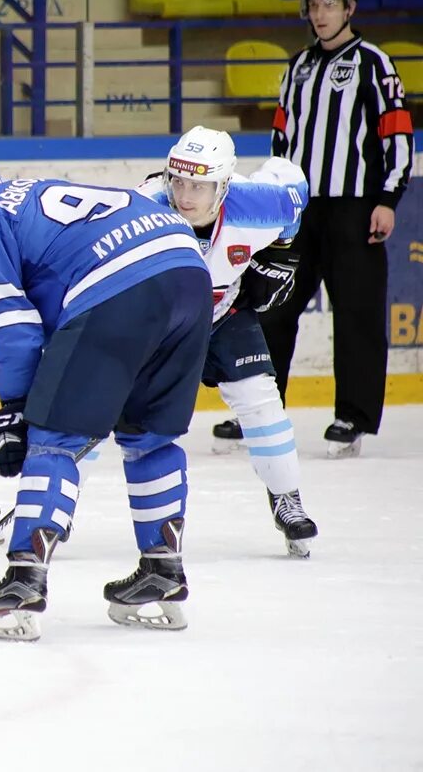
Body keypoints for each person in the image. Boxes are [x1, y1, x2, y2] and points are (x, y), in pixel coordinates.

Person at [0, 144, 212, 642]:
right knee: (149, 435)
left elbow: (14, 328)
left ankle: (25, 580)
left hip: (119, 280)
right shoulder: (19, 199)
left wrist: (20, 411)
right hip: (188, 271)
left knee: (51, 436)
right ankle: (163, 570)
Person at [137, 126, 319, 558]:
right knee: (104, 404)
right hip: (158, 324)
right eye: (178, 181)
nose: (185, 194)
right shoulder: (143, 210)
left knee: (260, 399)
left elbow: (292, 183)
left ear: (224, 185)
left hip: (224, 312)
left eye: (198, 185)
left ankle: (286, 498)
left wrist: (283, 249)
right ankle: (56, 510)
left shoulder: (259, 205)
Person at [260, 0, 414, 458]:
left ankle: (354, 415)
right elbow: (281, 139)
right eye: (314, 4)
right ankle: (261, 408)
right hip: (302, 210)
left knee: (357, 314)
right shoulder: (297, 66)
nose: (321, 13)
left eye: (331, 4)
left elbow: (397, 135)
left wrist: (388, 200)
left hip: (355, 209)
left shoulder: (374, 64)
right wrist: (278, 200)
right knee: (274, 307)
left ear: (350, 7)